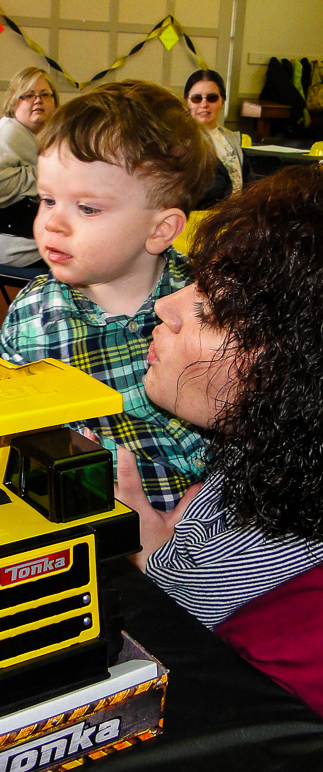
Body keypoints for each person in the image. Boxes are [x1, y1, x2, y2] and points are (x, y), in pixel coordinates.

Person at [0, 80, 215, 511]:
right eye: (48, 199)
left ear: (160, 229)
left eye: (87, 208)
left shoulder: (206, 313)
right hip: (57, 522)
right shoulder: (34, 309)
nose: (53, 223)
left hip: (183, 547)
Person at [118, 164, 323, 647]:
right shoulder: (271, 454)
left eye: (209, 310)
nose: (164, 307)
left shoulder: (284, 579)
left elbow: (182, 599)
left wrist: (145, 555)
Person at [0, 67, 59, 268]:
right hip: (15, 244)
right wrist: (46, 175)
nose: (38, 100)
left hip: (27, 235)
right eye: (29, 95)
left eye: (45, 94)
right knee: (99, 253)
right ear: (14, 102)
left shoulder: (43, 134)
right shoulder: (7, 135)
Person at [184, 69, 251, 209]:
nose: (204, 104)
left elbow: (247, 182)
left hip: (234, 217)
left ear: (222, 103)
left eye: (212, 98)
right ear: (187, 103)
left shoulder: (232, 138)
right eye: (197, 98)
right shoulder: (179, 140)